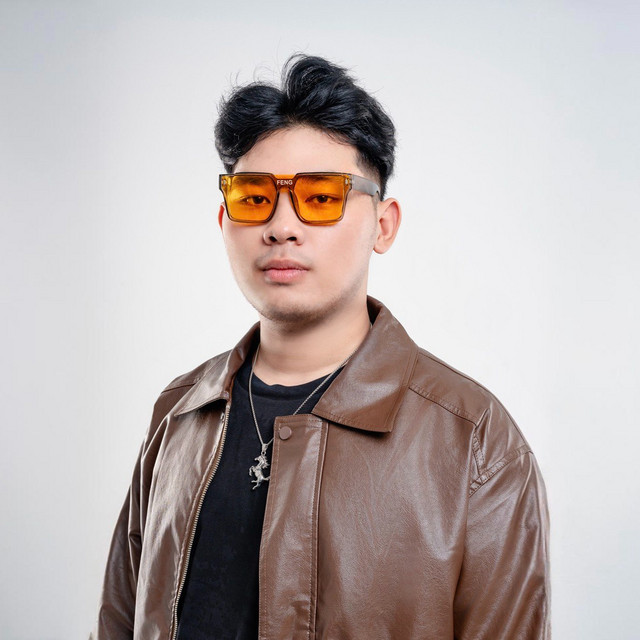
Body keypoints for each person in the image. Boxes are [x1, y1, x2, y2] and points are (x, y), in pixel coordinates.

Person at [92, 54, 550, 639]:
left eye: (320, 197)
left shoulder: (474, 442)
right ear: (223, 220)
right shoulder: (179, 413)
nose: (282, 226)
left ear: (383, 224)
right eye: (254, 197)